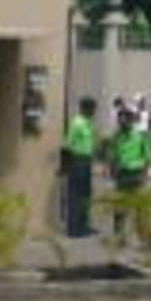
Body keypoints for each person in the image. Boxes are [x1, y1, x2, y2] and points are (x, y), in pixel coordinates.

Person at [107, 105, 151, 243]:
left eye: (125, 120)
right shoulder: (116, 136)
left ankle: (143, 236)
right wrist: (112, 171)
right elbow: (112, 155)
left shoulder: (141, 136)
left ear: (131, 120)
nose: (122, 123)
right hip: (122, 174)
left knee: (140, 207)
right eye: (120, 120)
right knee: (120, 206)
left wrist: (144, 174)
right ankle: (118, 234)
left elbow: (147, 156)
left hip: (137, 174)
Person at [59, 96, 98, 238]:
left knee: (86, 194)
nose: (94, 111)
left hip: (86, 161)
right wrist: (65, 166)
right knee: (76, 195)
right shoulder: (76, 123)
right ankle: (74, 229)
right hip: (77, 161)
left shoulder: (88, 123)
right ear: (85, 108)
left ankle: (84, 225)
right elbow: (67, 145)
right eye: (92, 108)